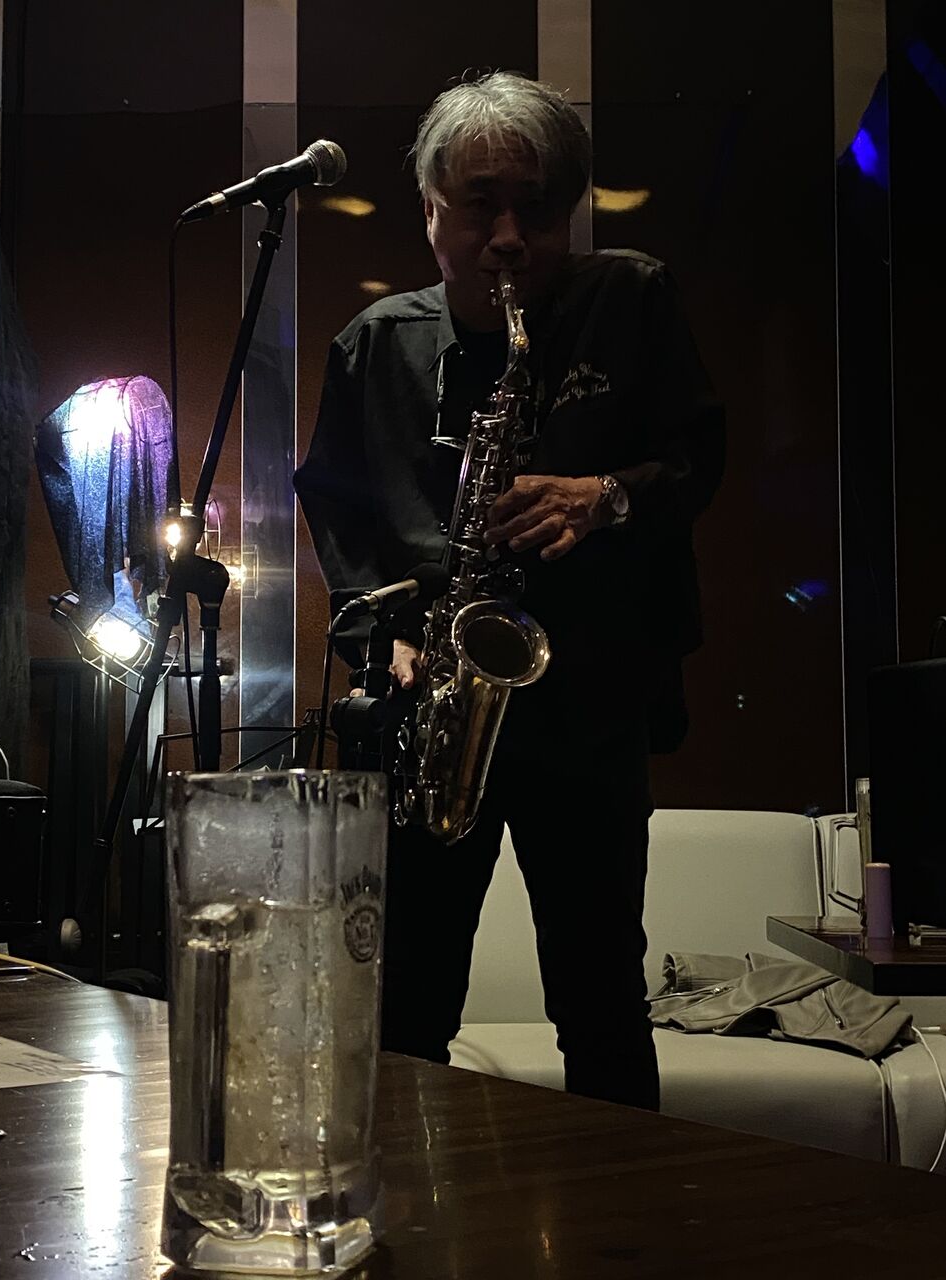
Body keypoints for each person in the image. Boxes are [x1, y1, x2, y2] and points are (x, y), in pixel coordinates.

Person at [294, 71, 724, 1110]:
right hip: (434, 708)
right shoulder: (376, 343)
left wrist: (604, 497)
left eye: (535, 209)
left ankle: (618, 1204)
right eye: (478, 205)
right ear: (429, 209)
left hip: (590, 706)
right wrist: (382, 638)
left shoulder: (629, 299)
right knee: (406, 1006)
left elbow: (698, 458)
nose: (507, 239)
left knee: (600, 998)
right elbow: (337, 509)